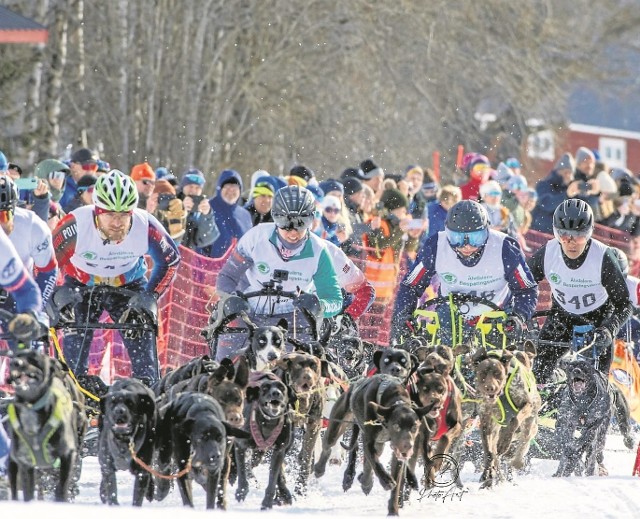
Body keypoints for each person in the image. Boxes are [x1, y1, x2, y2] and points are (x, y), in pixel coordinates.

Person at [51, 170, 180, 384]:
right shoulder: (75, 225)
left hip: (129, 283)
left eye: (123, 215)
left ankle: (147, 391)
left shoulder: (145, 225)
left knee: (143, 343)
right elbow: (46, 264)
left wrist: (150, 295)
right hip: (81, 284)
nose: (117, 223)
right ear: (97, 212)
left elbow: (170, 260)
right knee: (74, 355)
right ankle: (74, 394)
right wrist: (54, 296)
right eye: (110, 214)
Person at [215, 185, 343, 359]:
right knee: (225, 366)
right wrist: (229, 298)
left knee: (301, 371)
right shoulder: (256, 237)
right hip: (249, 312)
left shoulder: (319, 251)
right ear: (275, 219)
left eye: (300, 226)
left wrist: (319, 306)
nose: (292, 234)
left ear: (310, 221)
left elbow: (335, 299)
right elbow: (227, 276)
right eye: (286, 226)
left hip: (294, 320)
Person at [391, 200, 538, 346]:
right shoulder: (436, 245)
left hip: (496, 313)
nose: (466, 246)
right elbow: (411, 285)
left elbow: (526, 289)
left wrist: (519, 316)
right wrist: (405, 314)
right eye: (457, 238)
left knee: (494, 363)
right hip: (451, 312)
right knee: (445, 357)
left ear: (487, 231)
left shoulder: (505, 247)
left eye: (475, 238)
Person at [527, 199, 632, 382]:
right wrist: (518, 315)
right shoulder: (548, 252)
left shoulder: (603, 257)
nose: (571, 242)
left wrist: (609, 330)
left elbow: (625, 305)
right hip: (561, 319)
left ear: (590, 233)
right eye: (564, 235)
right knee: (538, 377)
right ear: (555, 233)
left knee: (596, 386)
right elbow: (522, 286)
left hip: (597, 322)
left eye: (579, 235)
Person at [0, 176, 57, 328]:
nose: (0, 226)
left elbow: (48, 272)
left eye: (3, 216)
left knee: (25, 334)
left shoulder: (32, 225)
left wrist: (33, 312)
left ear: (14, 209)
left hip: (17, 290)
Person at [199, 169, 252, 258]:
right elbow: (199, 242)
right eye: (227, 186)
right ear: (219, 188)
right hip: (209, 267)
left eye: (235, 187)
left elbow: (250, 245)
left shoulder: (245, 215)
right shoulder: (207, 208)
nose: (231, 190)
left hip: (239, 268)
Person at [530, 152, 576, 234]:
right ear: (558, 171)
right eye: (566, 172)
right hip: (539, 233)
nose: (568, 176)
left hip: (557, 236)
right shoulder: (544, 184)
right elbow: (546, 204)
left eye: (570, 173)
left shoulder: (570, 189)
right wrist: (566, 195)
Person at [176, 168, 219, 251]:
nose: (193, 191)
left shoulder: (200, 211)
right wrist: (180, 210)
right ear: (183, 187)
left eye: (197, 188)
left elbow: (204, 240)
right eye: (190, 186)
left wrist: (207, 215)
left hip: (187, 259)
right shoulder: (172, 202)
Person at [60, 148, 99, 212]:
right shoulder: (61, 187)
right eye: (86, 166)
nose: (90, 171)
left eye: (93, 167)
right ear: (73, 166)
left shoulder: (100, 187)